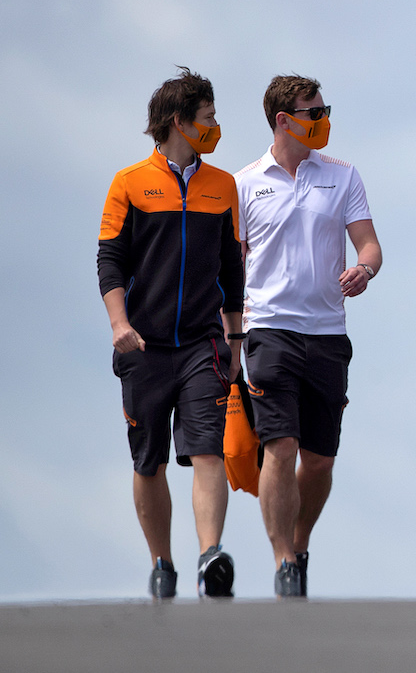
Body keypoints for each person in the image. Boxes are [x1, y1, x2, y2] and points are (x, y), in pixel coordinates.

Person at [97, 67, 243, 600]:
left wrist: (235, 339)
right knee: (150, 459)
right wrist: (119, 324)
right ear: (179, 122)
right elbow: (110, 261)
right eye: (208, 118)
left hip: (203, 342)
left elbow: (232, 268)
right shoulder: (130, 183)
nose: (215, 126)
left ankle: (210, 556)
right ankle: (163, 562)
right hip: (144, 346)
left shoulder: (222, 186)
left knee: (208, 449)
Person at [234, 75, 382, 598]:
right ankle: (282, 561)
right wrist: (230, 337)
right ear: (283, 120)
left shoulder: (342, 175)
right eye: (313, 112)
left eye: (324, 111)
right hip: (269, 328)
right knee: (281, 444)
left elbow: (369, 246)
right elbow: (231, 267)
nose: (323, 120)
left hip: (327, 332)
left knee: (319, 458)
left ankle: (299, 541)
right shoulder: (245, 182)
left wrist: (364, 270)